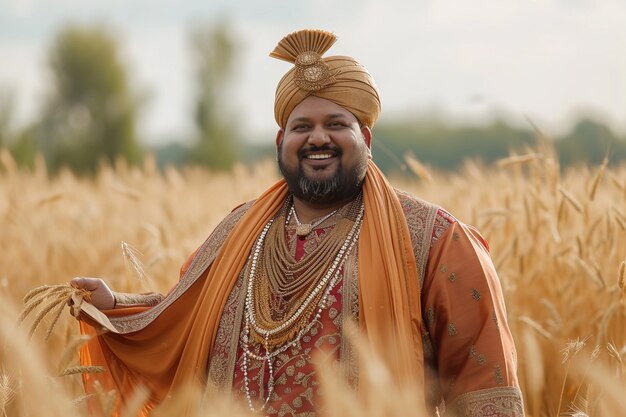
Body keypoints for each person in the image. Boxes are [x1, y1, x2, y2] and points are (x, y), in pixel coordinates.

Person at [71, 29, 524, 417]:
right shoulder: (238, 231)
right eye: (302, 126)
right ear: (281, 141)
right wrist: (113, 307)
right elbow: (186, 317)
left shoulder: (437, 240)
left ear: (364, 137)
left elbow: (485, 384)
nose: (318, 138)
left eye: (336, 124)